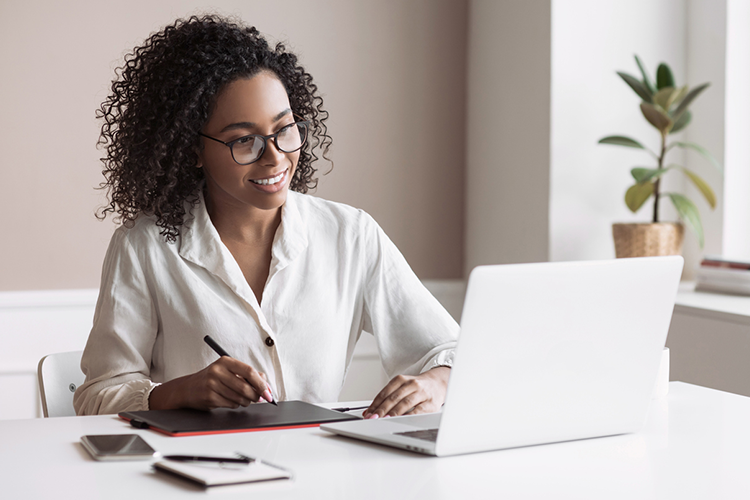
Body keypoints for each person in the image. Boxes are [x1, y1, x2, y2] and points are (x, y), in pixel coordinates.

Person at [73, 15, 458, 420]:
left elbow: (449, 349)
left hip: (319, 471)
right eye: (245, 140)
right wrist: (178, 391)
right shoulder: (145, 246)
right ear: (192, 150)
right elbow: (96, 396)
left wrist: (436, 382)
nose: (275, 157)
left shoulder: (350, 235)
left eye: (285, 130)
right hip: (196, 472)